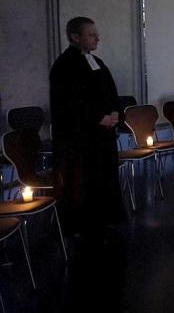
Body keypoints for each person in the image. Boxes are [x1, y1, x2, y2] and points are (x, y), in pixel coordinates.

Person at [50, 17, 125, 240]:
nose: (97, 38)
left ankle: (104, 220)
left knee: (104, 177)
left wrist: (115, 112)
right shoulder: (64, 66)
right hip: (80, 140)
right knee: (82, 182)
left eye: (96, 34)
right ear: (75, 37)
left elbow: (110, 91)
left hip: (102, 136)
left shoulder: (96, 61)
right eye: (91, 34)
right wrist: (98, 118)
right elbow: (69, 103)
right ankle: (84, 227)